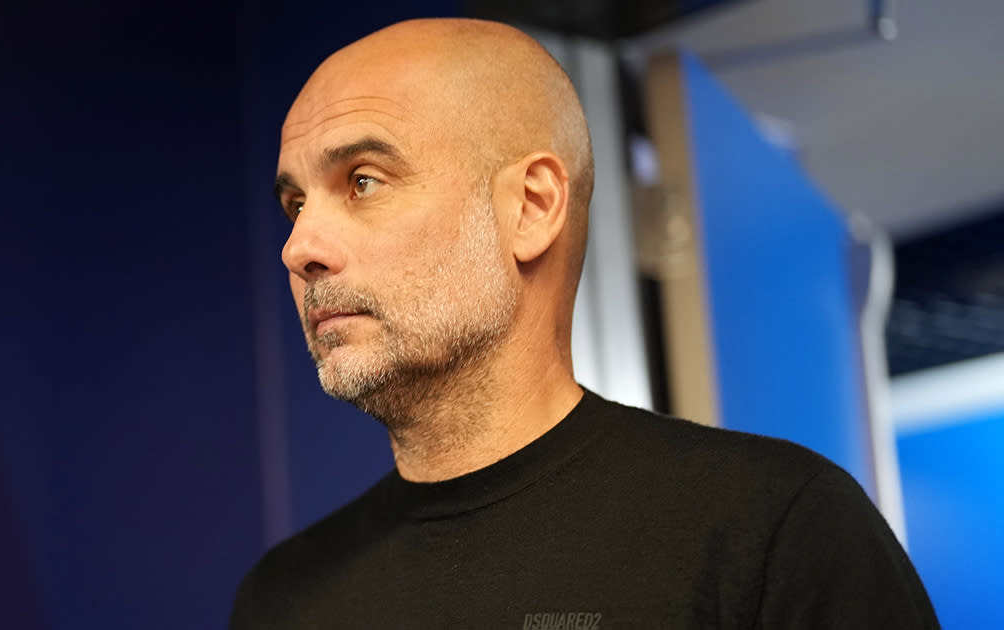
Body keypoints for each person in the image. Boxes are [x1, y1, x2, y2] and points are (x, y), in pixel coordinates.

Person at [231, 17, 939, 629]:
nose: (299, 249)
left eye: (362, 181)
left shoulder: (777, 533)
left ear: (531, 207)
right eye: (295, 205)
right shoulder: (283, 598)